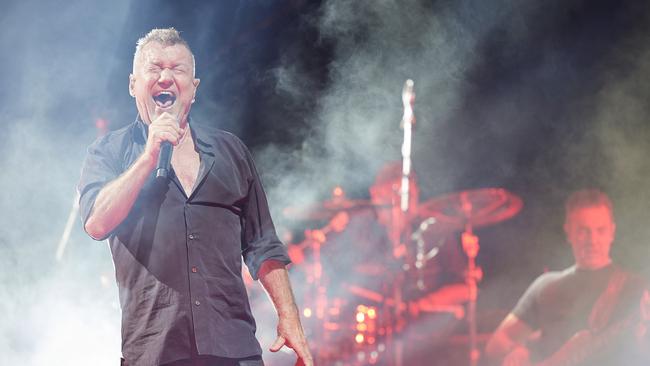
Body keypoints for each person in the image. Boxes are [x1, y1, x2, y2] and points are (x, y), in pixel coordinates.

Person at [77, 28, 312, 366]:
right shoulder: (109, 153)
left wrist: (289, 316)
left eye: (178, 69)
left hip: (234, 348)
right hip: (156, 350)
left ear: (194, 88)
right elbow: (97, 223)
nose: (165, 77)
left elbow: (262, 244)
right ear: (133, 84)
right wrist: (148, 156)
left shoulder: (231, 151)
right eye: (155, 68)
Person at [485, 189, 650, 366]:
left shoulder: (637, 287)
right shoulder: (546, 285)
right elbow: (496, 344)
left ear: (612, 232)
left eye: (600, 230)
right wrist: (516, 350)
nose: (592, 240)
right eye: (583, 231)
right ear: (568, 232)